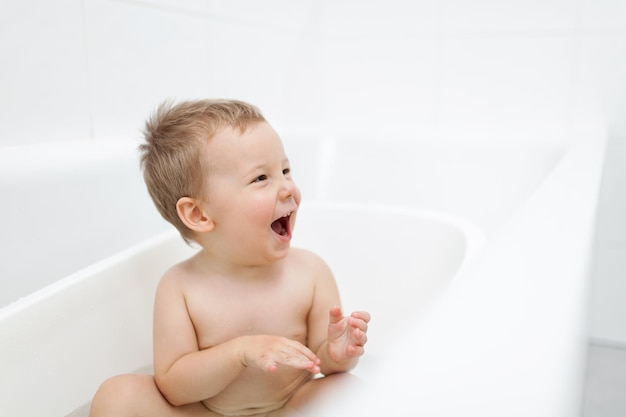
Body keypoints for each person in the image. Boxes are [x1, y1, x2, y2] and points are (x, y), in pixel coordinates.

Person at [89, 99, 371, 417]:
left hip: (290, 407)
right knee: (117, 397)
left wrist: (339, 354)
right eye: (261, 178)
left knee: (352, 392)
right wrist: (240, 352)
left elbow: (323, 363)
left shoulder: (310, 272)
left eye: (285, 170)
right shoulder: (180, 287)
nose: (288, 188)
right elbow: (175, 387)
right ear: (198, 214)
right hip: (209, 412)